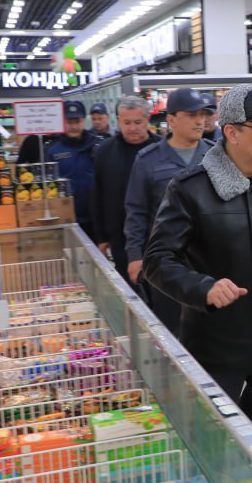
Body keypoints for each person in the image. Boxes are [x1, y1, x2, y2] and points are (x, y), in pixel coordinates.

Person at [144, 85, 252, 482]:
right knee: (213, 451)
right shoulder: (190, 190)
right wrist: (202, 286)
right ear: (232, 132)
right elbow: (157, 260)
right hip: (216, 347)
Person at [124, 89, 216, 331]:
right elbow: (136, 211)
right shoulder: (148, 160)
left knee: (210, 326)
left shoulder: (216, 156)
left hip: (208, 259)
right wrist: (135, 255)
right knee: (171, 327)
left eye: (203, 115)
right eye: (192, 115)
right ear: (172, 120)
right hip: (166, 261)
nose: (200, 121)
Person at [91, 96, 159, 284]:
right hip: (120, 239)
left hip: (158, 238)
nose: (132, 128)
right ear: (118, 121)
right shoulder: (105, 151)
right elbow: (97, 195)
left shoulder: (162, 149)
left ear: (147, 120)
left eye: (137, 122)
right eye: (126, 122)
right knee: (129, 290)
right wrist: (101, 236)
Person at [45, 100, 100, 241]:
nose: (74, 126)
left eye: (77, 121)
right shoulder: (52, 150)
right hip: (65, 218)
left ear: (84, 121)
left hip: (95, 217)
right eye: (69, 122)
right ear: (62, 122)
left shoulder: (97, 145)